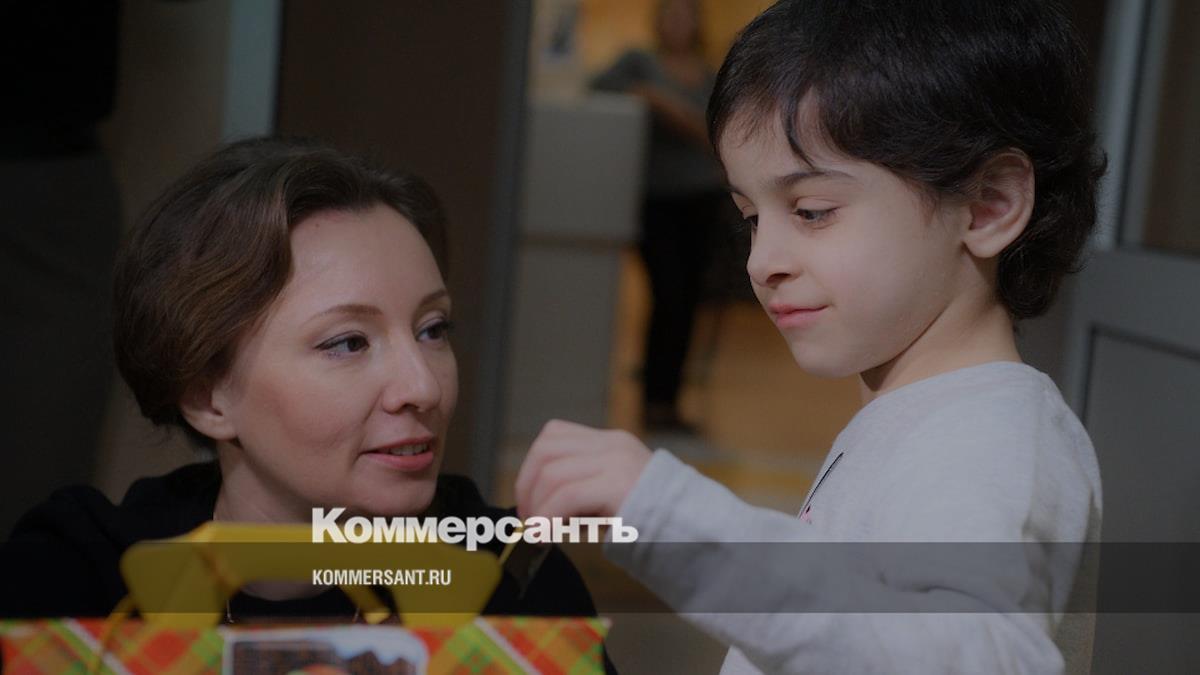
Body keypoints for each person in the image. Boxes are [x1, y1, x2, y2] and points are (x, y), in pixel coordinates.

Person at [515, 1, 1105, 673]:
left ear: (988, 204)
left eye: (812, 211)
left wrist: (672, 517)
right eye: (751, 217)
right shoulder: (918, 415)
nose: (761, 261)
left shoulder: (993, 441)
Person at [1, 138, 599, 625]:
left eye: (433, 329)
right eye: (348, 342)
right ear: (207, 397)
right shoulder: (78, 578)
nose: (423, 387)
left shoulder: (513, 579)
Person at [591, 0, 728, 433]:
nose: (677, 24)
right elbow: (596, 89)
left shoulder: (710, 74)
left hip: (702, 200)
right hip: (656, 201)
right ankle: (653, 399)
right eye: (670, 15)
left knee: (688, 301)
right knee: (667, 294)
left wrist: (671, 109)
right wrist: (647, 96)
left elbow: (719, 131)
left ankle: (669, 402)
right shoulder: (639, 62)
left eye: (685, 16)